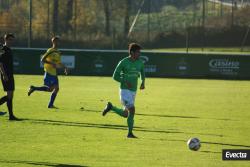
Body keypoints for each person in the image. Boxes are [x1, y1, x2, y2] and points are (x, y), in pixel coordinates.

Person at [102, 43, 145, 138]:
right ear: (132, 52)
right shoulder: (123, 62)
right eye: (138, 52)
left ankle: (111, 107)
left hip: (133, 91)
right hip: (124, 90)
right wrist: (124, 82)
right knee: (132, 110)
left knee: (126, 114)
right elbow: (114, 76)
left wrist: (143, 82)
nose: (139, 54)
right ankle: (129, 134)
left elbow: (142, 72)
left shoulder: (140, 62)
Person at [28, 36, 68, 108]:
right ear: (53, 42)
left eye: (58, 41)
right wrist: (51, 63)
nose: (58, 43)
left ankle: (35, 89)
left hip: (54, 73)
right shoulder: (50, 50)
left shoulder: (58, 52)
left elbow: (58, 62)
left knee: (53, 89)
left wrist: (65, 67)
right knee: (53, 88)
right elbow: (42, 59)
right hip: (49, 72)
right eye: (56, 41)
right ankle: (50, 104)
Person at [0, 33, 18, 120]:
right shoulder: (3, 49)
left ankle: (11, 116)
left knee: (10, 96)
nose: (11, 41)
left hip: (10, 75)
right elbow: (0, 63)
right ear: (6, 39)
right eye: (10, 40)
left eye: (12, 40)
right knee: (9, 96)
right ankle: (11, 116)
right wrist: (4, 74)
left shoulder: (9, 49)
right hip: (6, 75)